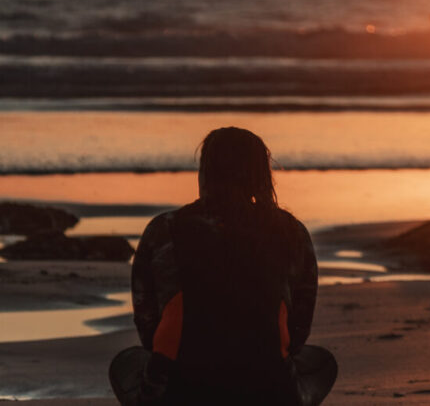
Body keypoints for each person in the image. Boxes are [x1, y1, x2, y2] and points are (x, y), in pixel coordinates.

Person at [109, 127, 337, 406]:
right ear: (260, 175)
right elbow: (299, 330)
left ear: (205, 172)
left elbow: (147, 325)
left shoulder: (163, 230)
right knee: (322, 362)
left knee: (126, 363)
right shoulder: (291, 232)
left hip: (178, 391)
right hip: (271, 390)